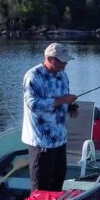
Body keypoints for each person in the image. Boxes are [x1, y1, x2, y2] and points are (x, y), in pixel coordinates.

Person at [23, 43, 78, 192]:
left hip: (60, 139)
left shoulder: (62, 75)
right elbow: (33, 104)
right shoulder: (33, 76)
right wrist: (62, 100)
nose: (65, 64)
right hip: (42, 141)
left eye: (66, 60)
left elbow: (63, 99)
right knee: (41, 187)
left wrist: (71, 107)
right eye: (62, 60)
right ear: (49, 59)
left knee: (58, 181)